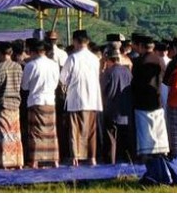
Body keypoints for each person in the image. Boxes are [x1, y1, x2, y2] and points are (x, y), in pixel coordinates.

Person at [61, 29, 102, 166]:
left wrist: (68, 83)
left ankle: (75, 157)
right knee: (91, 130)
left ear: (75, 41)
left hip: (76, 97)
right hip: (92, 98)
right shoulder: (95, 59)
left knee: (75, 129)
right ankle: (92, 157)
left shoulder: (72, 58)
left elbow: (63, 78)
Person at [21, 39, 61, 168]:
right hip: (50, 100)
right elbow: (56, 84)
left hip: (36, 100)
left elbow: (25, 86)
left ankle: (35, 160)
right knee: (51, 132)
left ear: (33, 51)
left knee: (35, 132)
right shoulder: (54, 64)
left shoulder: (31, 65)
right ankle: (54, 159)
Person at [0, 41, 25, 169]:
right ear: (11, 52)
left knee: (2, 135)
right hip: (15, 104)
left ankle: (3, 161)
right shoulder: (18, 67)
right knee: (15, 134)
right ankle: (17, 161)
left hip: (1, 105)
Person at [129, 36, 169, 161]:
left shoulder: (139, 62)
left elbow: (135, 82)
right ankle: (161, 154)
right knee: (159, 130)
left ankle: (146, 155)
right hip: (157, 99)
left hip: (142, 101)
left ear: (141, 46)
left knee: (145, 132)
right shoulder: (160, 61)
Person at [99, 43, 133, 165]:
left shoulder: (109, 72)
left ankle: (110, 162)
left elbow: (102, 88)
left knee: (111, 138)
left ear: (109, 60)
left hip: (111, 109)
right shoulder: (127, 72)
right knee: (125, 138)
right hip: (125, 110)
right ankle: (127, 160)